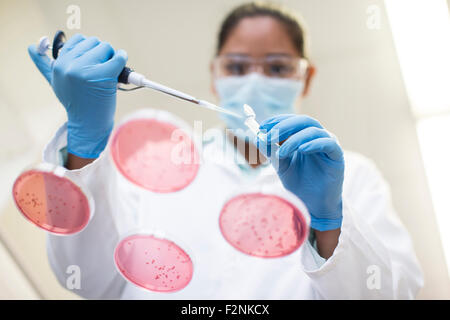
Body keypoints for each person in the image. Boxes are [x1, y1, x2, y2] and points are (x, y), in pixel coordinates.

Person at [27, 2, 423, 299]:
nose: (254, 80)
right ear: (215, 76)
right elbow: (86, 277)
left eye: (277, 68)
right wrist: (84, 143)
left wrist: (329, 223)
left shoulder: (353, 175)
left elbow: (394, 294)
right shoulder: (157, 163)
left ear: (306, 78)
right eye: (236, 67)